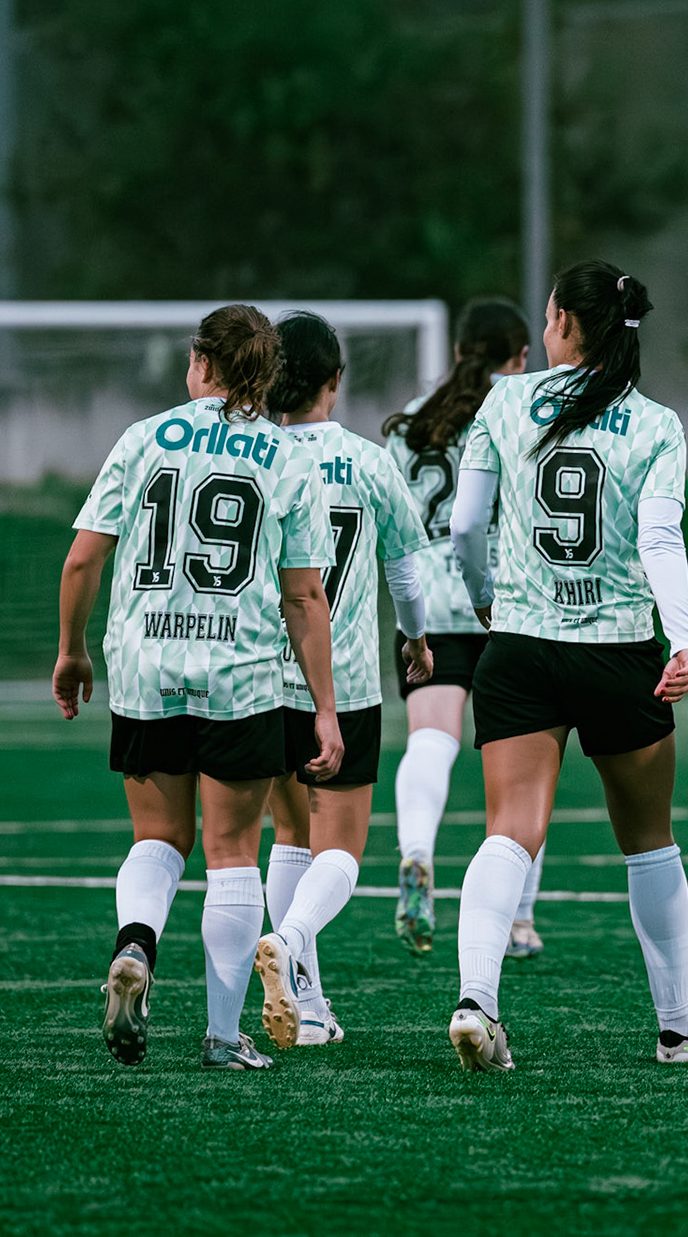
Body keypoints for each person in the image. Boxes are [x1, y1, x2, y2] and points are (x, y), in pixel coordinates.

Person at [444, 259, 688, 1072]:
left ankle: (477, 1002)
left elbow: (465, 526)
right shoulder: (656, 423)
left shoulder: (504, 399)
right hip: (620, 652)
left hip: (522, 647)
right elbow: (661, 539)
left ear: (563, 320)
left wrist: (485, 597)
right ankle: (675, 1030)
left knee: (510, 831)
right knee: (648, 842)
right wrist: (686, 637)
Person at [53, 304, 343, 1074]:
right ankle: (221, 1036)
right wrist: (323, 707)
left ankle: (135, 949)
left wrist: (72, 651)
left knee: (157, 839)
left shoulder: (143, 438)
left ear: (199, 362)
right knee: (232, 852)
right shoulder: (285, 458)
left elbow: (83, 560)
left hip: (145, 668)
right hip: (239, 675)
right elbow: (305, 597)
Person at [253, 311, 436, 1049]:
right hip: (347, 680)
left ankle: (315, 1008)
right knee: (341, 850)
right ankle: (291, 943)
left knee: (289, 835)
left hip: (261, 678)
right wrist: (417, 639)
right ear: (336, 380)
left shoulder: (251, 455)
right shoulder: (366, 460)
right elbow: (404, 567)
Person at [381, 296, 551, 959]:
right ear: (521, 357)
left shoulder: (406, 428)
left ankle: (417, 852)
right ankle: (517, 920)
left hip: (426, 605)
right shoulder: (521, 416)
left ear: (457, 350)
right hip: (510, 599)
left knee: (430, 740)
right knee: (525, 771)